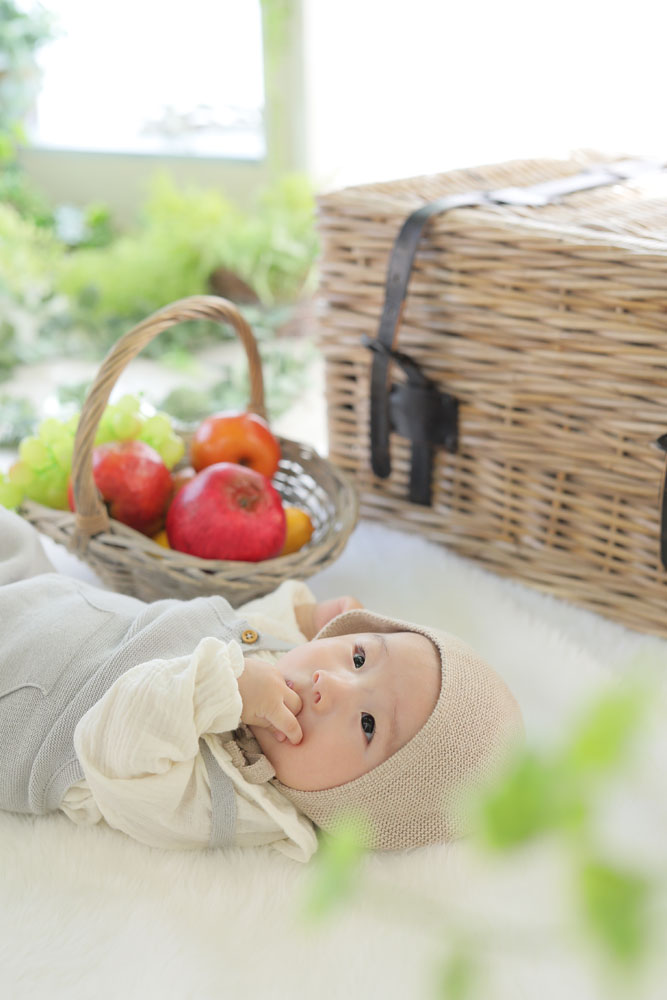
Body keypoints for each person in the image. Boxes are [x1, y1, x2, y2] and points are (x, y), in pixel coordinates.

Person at [0, 507, 523, 862]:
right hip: (51, 598)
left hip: (24, 697)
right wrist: (307, 614)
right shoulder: (285, 663)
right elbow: (251, 624)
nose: (331, 684)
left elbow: (111, 746)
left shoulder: (230, 801)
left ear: (353, 803)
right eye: (360, 656)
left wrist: (222, 689)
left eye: (367, 724)